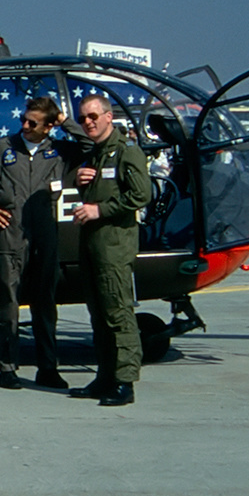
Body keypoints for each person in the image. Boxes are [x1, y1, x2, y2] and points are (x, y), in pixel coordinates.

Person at [0, 96, 78, 390]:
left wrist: (65, 122)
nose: (25, 126)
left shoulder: (59, 151)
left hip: (45, 234)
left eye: (33, 122)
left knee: (45, 302)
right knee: (8, 302)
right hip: (11, 233)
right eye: (23, 120)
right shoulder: (2, 148)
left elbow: (92, 146)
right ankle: (7, 367)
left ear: (48, 127)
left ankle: (48, 367)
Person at [68, 95, 152, 407]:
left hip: (114, 245)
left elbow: (141, 195)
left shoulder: (127, 151)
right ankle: (105, 376)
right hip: (92, 244)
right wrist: (79, 181)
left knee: (118, 312)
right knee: (98, 315)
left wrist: (100, 210)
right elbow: (99, 190)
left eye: (92, 116)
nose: (87, 122)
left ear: (108, 116)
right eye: (83, 118)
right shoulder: (97, 154)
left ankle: (124, 381)